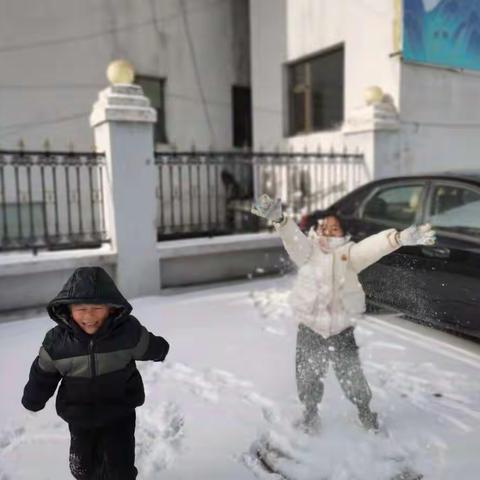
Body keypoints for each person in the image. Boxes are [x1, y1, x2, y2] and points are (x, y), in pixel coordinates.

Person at [251, 194, 436, 433]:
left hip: (341, 330)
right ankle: (310, 414)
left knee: (352, 375)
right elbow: (294, 239)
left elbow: (371, 248)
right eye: (324, 227)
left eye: (334, 228)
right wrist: (280, 220)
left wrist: (398, 238)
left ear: (343, 234)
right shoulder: (307, 253)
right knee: (307, 374)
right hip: (310, 328)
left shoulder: (350, 256)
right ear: (316, 231)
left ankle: (365, 413)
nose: (329, 230)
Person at [21, 266, 170, 479]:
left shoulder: (127, 333)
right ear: (67, 310)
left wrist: (160, 349)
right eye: (81, 309)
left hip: (120, 411)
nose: (89, 316)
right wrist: (33, 399)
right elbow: (43, 373)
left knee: (120, 467)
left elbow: (147, 345)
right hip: (79, 415)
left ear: (111, 308)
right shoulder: (57, 343)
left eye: (97, 308)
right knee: (82, 468)